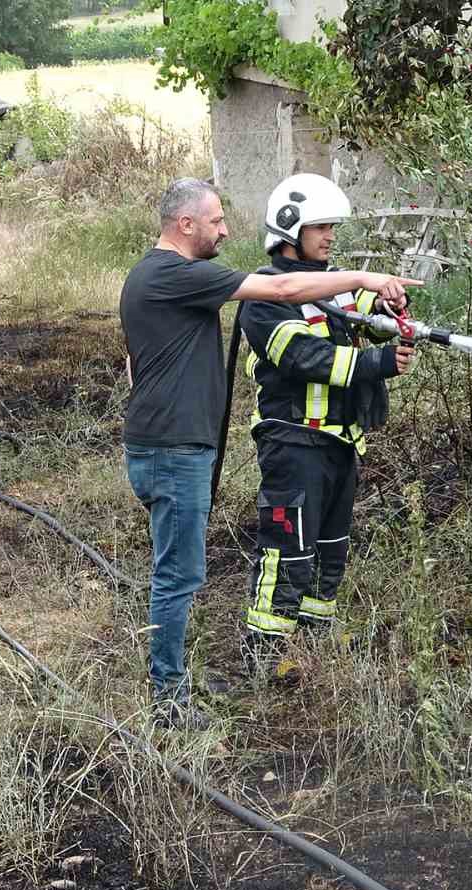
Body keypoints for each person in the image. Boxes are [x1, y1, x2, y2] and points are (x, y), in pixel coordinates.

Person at [119, 177, 418, 728]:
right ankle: (169, 700)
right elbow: (280, 297)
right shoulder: (172, 273)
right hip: (180, 450)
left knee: (187, 569)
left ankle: (179, 680)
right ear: (185, 224)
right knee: (178, 576)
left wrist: (381, 300)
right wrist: (367, 278)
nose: (226, 230)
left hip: (177, 445)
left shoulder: (154, 278)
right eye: (215, 221)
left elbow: (137, 362)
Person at [238, 173, 415, 674]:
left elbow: (365, 308)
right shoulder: (265, 297)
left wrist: (390, 302)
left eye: (332, 227)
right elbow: (305, 357)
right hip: (293, 446)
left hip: (339, 445)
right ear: (290, 230)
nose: (329, 236)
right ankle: (266, 658)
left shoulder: (331, 289)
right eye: (320, 227)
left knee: (331, 551)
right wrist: (378, 364)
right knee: (286, 550)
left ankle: (313, 646)